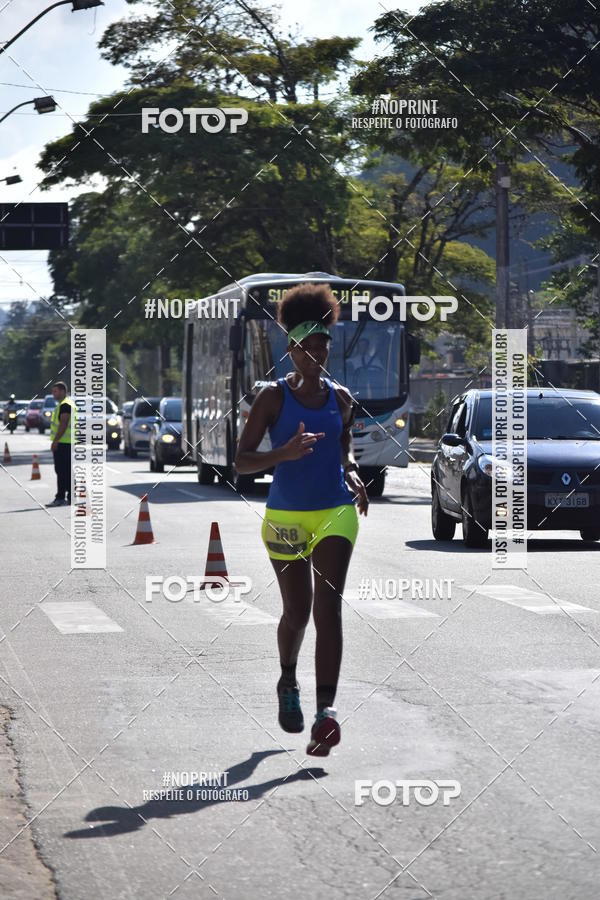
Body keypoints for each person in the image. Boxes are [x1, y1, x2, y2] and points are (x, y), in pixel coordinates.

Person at [235, 283, 369, 757]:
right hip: (286, 516)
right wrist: (283, 454)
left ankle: (325, 713)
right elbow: (242, 462)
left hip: (335, 510)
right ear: (291, 349)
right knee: (297, 611)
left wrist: (351, 471)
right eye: (307, 347)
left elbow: (343, 443)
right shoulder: (272, 399)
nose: (316, 354)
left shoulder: (342, 397)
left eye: (322, 346)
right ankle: (288, 678)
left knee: (327, 607)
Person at [46, 381, 75, 507]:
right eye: (53, 391)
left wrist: (55, 441)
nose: (53, 394)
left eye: (55, 391)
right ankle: (70, 497)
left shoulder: (65, 405)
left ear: (63, 391)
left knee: (62, 471)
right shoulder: (65, 404)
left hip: (64, 442)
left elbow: (63, 424)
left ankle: (61, 497)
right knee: (64, 471)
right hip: (66, 442)